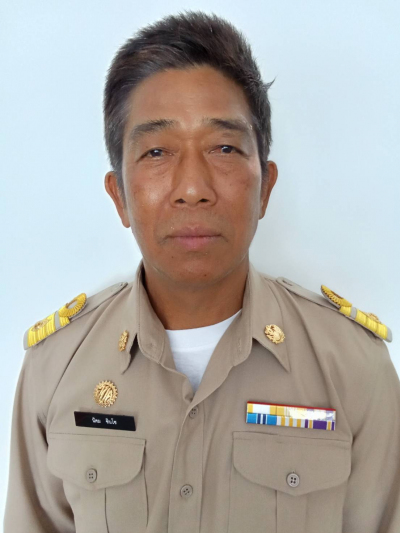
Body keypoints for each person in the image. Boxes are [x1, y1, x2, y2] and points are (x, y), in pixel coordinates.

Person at [4, 10, 400, 533]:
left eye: (224, 147)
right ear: (119, 196)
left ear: (266, 187)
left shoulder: (354, 369)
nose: (192, 188)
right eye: (157, 151)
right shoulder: (56, 369)